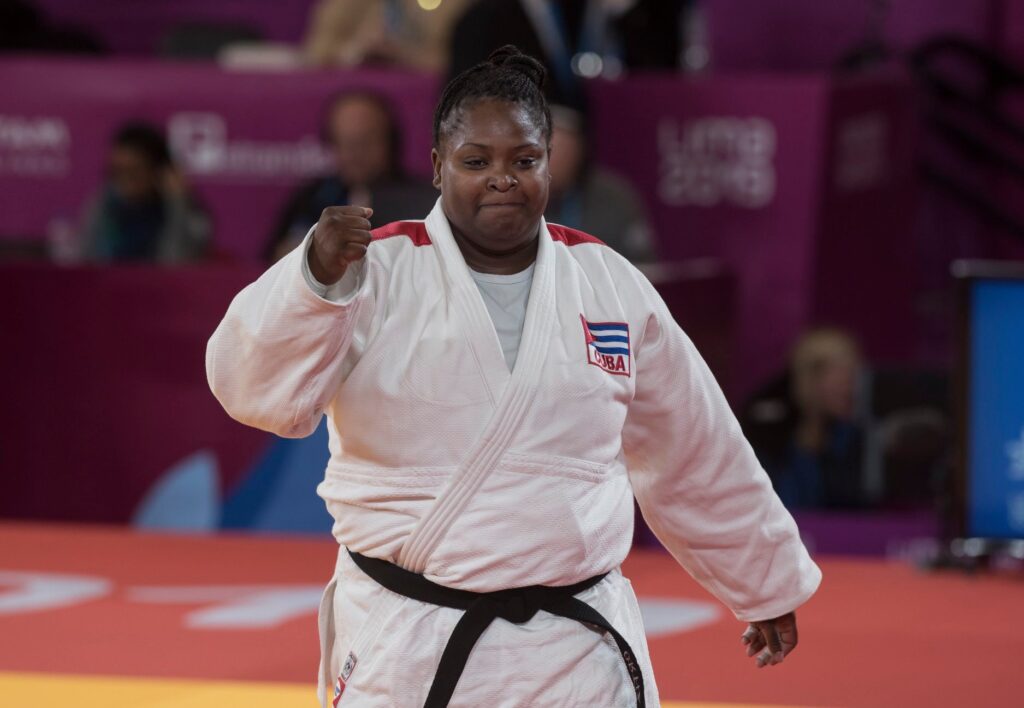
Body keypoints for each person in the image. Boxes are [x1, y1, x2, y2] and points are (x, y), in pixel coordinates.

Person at [208, 46, 820, 707]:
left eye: (524, 160)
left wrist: (762, 582)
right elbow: (254, 393)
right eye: (477, 161)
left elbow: (693, 446)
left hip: (575, 649)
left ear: (549, 165)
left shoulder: (607, 284)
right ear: (440, 167)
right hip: (411, 640)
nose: (503, 178)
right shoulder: (375, 272)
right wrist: (313, 282)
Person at [265, 90, 436, 263]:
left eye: (366, 141)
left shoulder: (423, 201)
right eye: (346, 142)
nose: (356, 154)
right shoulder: (312, 198)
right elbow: (277, 261)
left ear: (391, 142)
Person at [80, 122, 210, 263]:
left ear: (159, 171)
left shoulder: (187, 213)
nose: (124, 180)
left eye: (133, 171)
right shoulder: (104, 205)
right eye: (116, 171)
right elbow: (86, 263)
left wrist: (178, 202)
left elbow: (176, 264)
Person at [546, 103, 655, 262]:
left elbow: (645, 266)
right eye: (550, 151)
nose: (556, 160)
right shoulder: (519, 198)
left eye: (564, 150)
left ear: (581, 150)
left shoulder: (615, 199)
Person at [302, 0, 470, 71]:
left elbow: (465, 62)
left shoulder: (461, 6)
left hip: (430, 104)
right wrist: (353, 52)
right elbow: (316, 50)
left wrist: (404, 55)